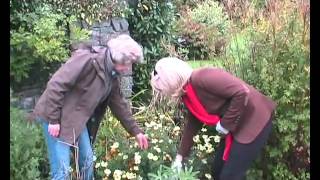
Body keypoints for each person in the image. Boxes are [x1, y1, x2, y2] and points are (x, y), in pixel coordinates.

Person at [30, 34, 149, 180]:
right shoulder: (86, 60)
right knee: (62, 172)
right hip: (56, 118)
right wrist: (54, 120)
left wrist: (136, 131)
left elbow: (119, 104)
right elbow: (55, 85)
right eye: (127, 63)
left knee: (86, 162)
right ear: (118, 58)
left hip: (76, 121)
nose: (127, 68)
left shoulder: (112, 74)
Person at [150, 57, 276, 180]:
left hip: (255, 119)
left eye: (161, 89)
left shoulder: (203, 77)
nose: (163, 94)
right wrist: (180, 157)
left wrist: (225, 124)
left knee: (230, 176)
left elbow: (241, 92)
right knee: (217, 170)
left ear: (171, 80)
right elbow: (192, 124)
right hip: (236, 124)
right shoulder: (188, 93)